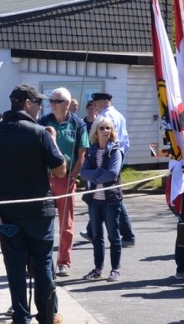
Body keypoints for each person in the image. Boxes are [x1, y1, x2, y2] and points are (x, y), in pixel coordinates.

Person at [0, 84, 66, 324]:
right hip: (38, 210)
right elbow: (60, 170)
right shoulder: (40, 133)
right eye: (38, 103)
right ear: (28, 103)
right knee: (42, 263)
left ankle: (21, 317)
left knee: (15, 266)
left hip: (7, 210)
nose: (40, 107)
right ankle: (47, 315)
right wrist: (54, 141)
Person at [39, 87, 88, 277]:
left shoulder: (78, 124)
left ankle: (64, 262)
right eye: (50, 100)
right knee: (42, 221)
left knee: (66, 224)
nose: (52, 104)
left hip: (66, 179)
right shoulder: (43, 121)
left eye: (57, 101)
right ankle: (42, 262)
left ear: (67, 104)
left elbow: (82, 155)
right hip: (45, 178)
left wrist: (73, 177)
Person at [80, 116, 125, 283]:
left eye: (108, 128)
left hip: (111, 199)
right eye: (102, 128)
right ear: (95, 132)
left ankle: (115, 269)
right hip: (94, 200)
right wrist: (99, 173)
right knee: (96, 236)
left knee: (113, 236)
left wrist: (95, 175)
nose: (106, 131)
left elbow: (113, 173)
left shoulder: (115, 150)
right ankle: (98, 269)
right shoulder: (91, 151)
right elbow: (83, 173)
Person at [91, 92, 135, 245]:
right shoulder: (119, 115)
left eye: (96, 103)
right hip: (116, 157)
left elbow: (101, 139)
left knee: (109, 196)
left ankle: (127, 235)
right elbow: (126, 142)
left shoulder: (105, 117)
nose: (94, 106)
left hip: (106, 158)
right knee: (110, 195)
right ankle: (93, 230)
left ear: (104, 102)